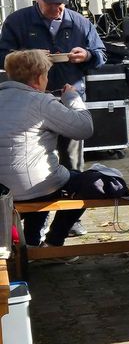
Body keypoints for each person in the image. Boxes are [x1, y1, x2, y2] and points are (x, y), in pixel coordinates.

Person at [0, 0, 107, 236]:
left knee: (71, 159)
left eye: (61, 3)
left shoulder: (80, 22)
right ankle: (35, 226)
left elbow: (102, 53)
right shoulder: (17, 21)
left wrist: (88, 55)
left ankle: (70, 218)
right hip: (30, 99)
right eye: (50, 3)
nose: (57, 8)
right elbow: (2, 55)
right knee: (37, 160)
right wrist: (30, 59)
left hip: (69, 94)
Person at [0, 49, 92, 246]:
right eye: (47, 75)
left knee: (44, 177)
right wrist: (73, 99)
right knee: (84, 183)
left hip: (2, 188)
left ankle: (32, 241)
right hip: (29, 187)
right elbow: (84, 128)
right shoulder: (41, 101)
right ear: (39, 77)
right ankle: (53, 242)